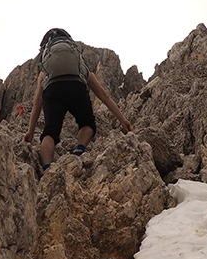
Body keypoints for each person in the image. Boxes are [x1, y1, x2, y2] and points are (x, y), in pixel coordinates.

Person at [23, 28, 133, 170]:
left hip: (52, 89)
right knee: (87, 123)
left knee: (50, 132)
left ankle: (47, 169)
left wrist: (30, 131)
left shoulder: (46, 72)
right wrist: (122, 119)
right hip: (76, 86)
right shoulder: (81, 68)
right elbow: (103, 95)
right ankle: (80, 148)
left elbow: (37, 102)